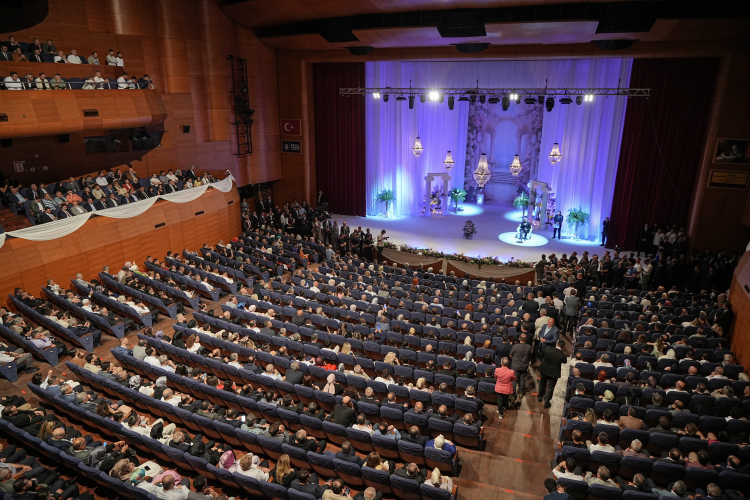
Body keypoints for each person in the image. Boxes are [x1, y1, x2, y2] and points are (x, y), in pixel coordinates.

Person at [538, 339, 567, 409]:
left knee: (542, 384)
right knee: (550, 388)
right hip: (553, 373)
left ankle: (540, 397)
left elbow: (541, 355)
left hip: (544, 369)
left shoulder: (548, 349)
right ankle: (546, 402)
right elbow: (565, 361)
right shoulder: (563, 355)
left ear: (557, 344)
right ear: (563, 347)